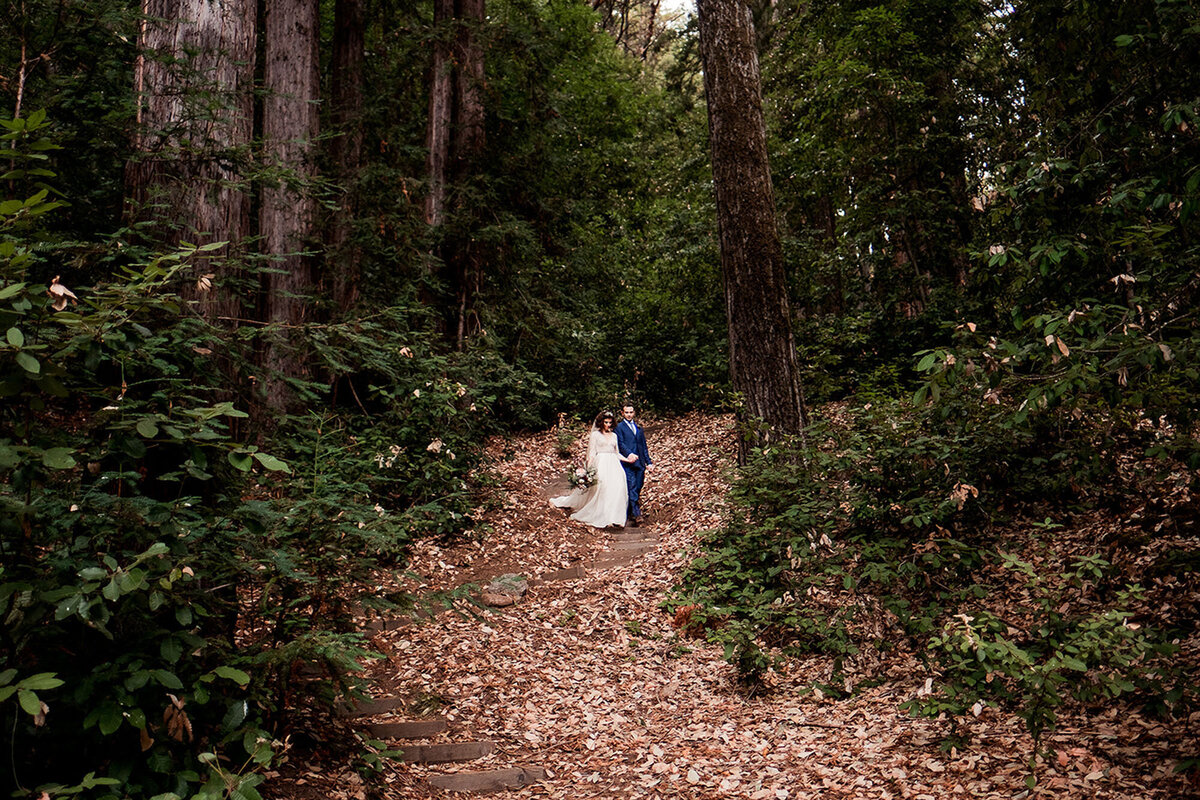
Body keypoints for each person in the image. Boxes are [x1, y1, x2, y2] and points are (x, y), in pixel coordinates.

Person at [549, 410, 638, 528]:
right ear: (601, 423)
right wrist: (588, 469)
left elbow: (616, 453)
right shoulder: (596, 435)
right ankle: (604, 517)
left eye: (610, 423)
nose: (608, 425)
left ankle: (616, 518)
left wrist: (627, 459)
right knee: (603, 489)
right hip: (601, 463)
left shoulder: (614, 436)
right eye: (606, 422)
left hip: (614, 465)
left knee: (618, 488)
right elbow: (592, 453)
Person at [615, 403, 652, 526]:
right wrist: (629, 454)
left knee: (638, 486)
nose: (629, 414)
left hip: (640, 463)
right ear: (622, 413)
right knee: (631, 487)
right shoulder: (619, 427)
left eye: (631, 412)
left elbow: (643, 446)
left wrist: (649, 462)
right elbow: (620, 444)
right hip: (628, 463)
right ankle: (637, 515)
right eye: (626, 412)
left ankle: (629, 510)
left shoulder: (638, 427)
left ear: (634, 412)